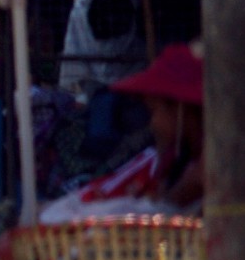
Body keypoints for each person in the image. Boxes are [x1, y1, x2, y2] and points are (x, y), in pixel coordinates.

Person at [40, 42, 205, 222]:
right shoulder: (167, 161)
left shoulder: (202, 166)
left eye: (154, 111)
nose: (153, 123)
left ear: (182, 110)